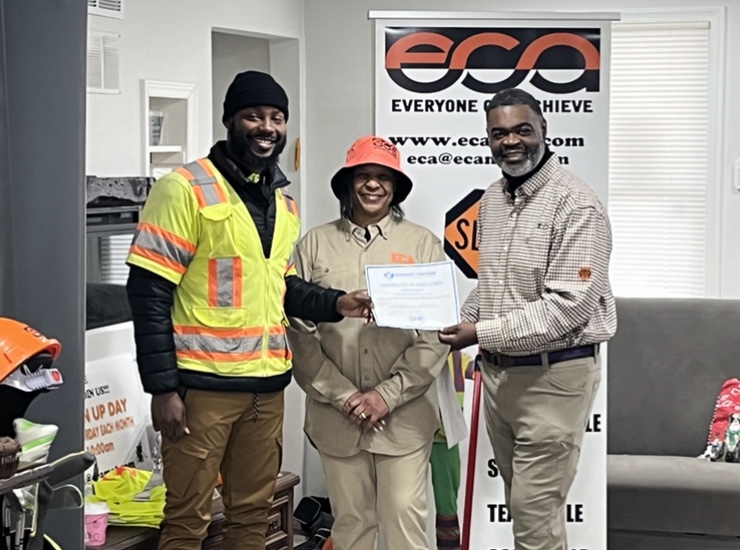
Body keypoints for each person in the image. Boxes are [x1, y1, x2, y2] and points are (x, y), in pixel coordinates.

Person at [125, 70, 372, 550]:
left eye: (277, 118)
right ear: (229, 121)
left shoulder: (285, 203)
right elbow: (148, 292)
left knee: (251, 520)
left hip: (266, 390)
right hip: (201, 391)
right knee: (186, 521)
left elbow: (279, 286)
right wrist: (161, 389)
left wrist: (336, 303)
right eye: (254, 116)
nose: (267, 127)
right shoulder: (184, 188)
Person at [438, 87, 617, 550]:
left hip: (554, 378)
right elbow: (494, 282)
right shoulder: (495, 198)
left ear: (544, 130)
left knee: (535, 520)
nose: (511, 141)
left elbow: (568, 307)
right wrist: (457, 319)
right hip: (499, 378)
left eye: (522, 130)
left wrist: (478, 332)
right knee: (525, 508)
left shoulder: (577, 205)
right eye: (499, 133)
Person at [287, 135, 450, 550]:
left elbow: (436, 334)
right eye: (363, 176)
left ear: (395, 187)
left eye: (383, 177)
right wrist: (345, 397)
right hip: (337, 417)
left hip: (405, 416)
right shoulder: (313, 245)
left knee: (404, 520)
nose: (373, 185)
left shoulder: (422, 244)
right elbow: (298, 330)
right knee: (351, 525)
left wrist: (385, 396)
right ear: (348, 184)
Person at [429, 350, 471, 550]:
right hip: (410, 432)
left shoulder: (455, 354)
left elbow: (474, 372)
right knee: (407, 504)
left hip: (446, 435)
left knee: (447, 508)